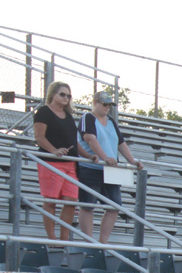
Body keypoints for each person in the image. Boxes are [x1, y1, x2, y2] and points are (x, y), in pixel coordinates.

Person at [77, 91, 144, 243]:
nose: (107, 107)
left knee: (114, 205)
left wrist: (132, 160)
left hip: (110, 169)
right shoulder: (88, 118)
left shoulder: (111, 121)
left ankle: (103, 242)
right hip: (91, 167)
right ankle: (89, 241)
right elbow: (89, 138)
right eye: (104, 104)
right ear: (95, 103)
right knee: (88, 204)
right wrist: (104, 157)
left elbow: (120, 142)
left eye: (109, 105)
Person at [32, 81, 80, 241]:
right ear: (52, 94)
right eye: (62, 94)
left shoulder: (69, 116)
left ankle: (64, 238)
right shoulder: (44, 112)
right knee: (51, 200)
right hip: (51, 162)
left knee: (71, 200)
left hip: (70, 163)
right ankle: (52, 238)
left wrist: (88, 155)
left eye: (68, 95)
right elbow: (39, 137)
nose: (66, 98)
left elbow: (74, 141)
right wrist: (54, 150)